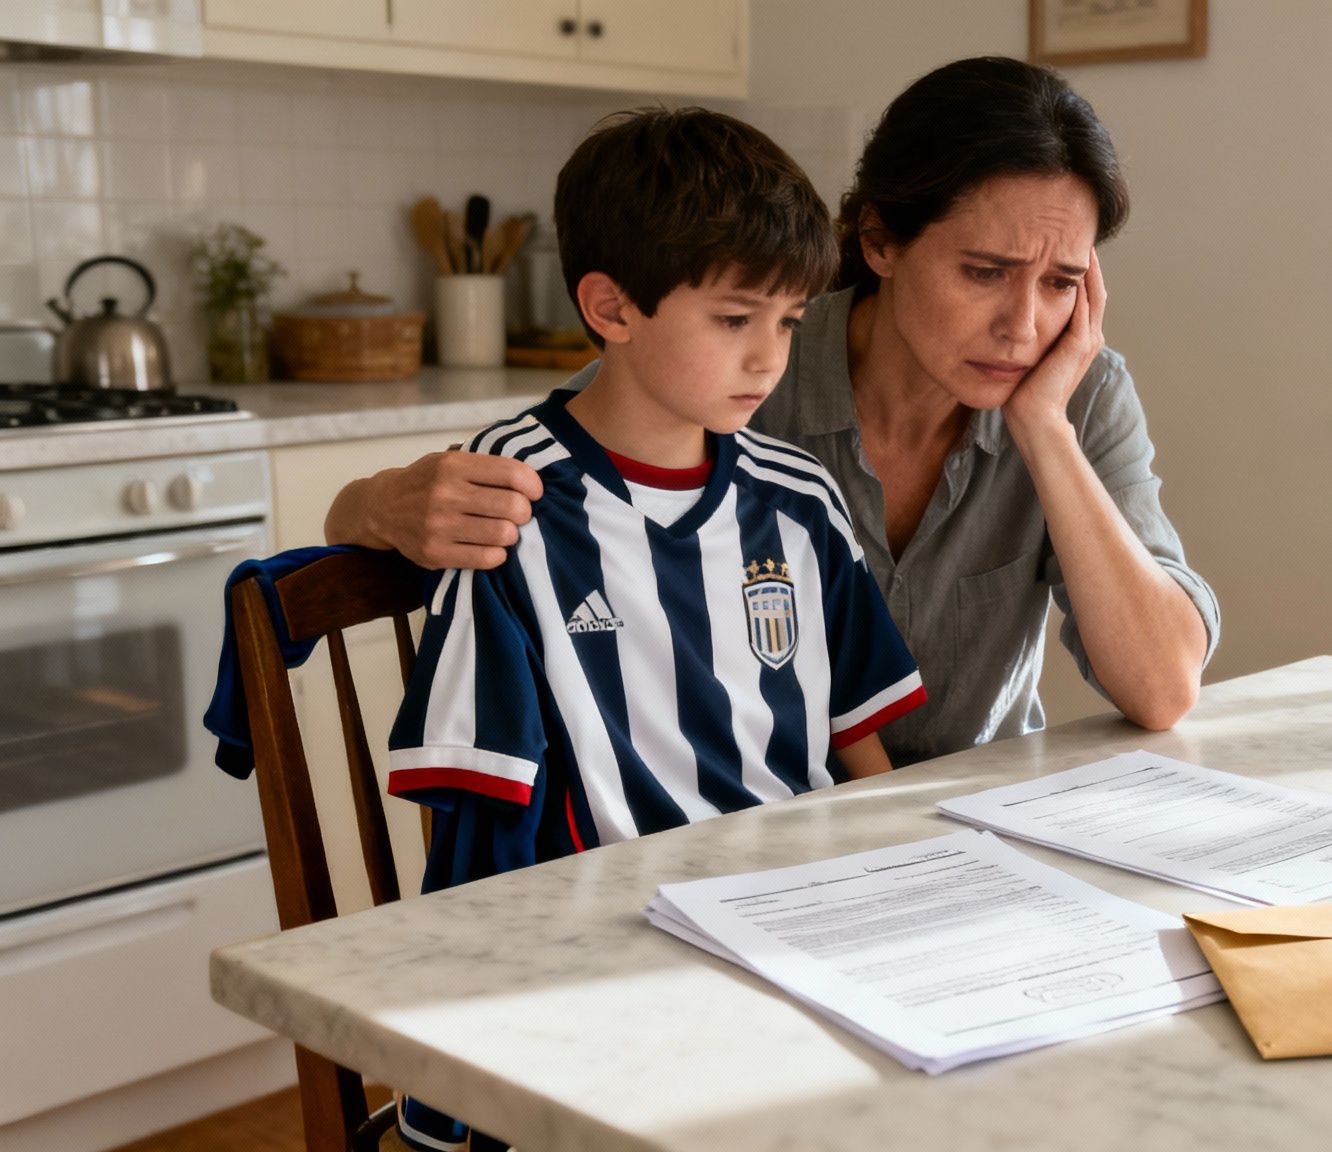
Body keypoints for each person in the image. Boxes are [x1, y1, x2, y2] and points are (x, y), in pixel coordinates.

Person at [329, 56, 1218, 766]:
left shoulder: (1080, 390)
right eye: (984, 273)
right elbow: (553, 465)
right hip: (771, 832)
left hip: (973, 825)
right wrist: (372, 503)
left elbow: (1163, 689)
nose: (1024, 326)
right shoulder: (748, 365)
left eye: (1061, 282)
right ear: (879, 242)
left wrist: (1044, 431)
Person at [386, 107, 923, 1152]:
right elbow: (480, 804)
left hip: (791, 915)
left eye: (788, 322)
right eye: (734, 319)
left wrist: (897, 872)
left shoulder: (799, 499)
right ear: (610, 306)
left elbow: (858, 739)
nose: (767, 358)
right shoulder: (508, 500)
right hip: (612, 938)